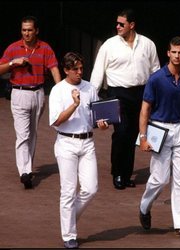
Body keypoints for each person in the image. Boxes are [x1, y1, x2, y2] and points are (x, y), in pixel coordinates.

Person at [138, 36, 180, 239]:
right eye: (173, 51)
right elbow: (145, 109)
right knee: (160, 178)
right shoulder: (156, 79)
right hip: (159, 129)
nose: (177, 55)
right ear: (168, 53)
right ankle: (145, 207)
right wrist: (143, 136)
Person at [90, 9, 160, 190]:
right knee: (121, 133)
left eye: (121, 24)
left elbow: (155, 71)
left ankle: (127, 174)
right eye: (117, 23)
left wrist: (157, 95)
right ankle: (118, 173)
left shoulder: (147, 44)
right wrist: (91, 98)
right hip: (118, 94)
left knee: (132, 135)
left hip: (141, 94)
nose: (118, 26)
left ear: (132, 25)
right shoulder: (109, 45)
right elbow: (98, 73)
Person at [49, 52, 108, 249]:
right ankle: (69, 235)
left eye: (82, 68)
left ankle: (68, 219)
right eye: (75, 69)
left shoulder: (90, 87)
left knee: (91, 188)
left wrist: (101, 123)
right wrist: (74, 104)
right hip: (66, 143)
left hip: (87, 142)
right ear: (66, 70)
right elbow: (56, 121)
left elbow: (95, 115)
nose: (80, 72)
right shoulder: (58, 91)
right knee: (68, 191)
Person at [0, 15, 61, 189]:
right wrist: (13, 62)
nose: (26, 33)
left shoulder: (45, 48)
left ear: (36, 31)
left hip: (38, 93)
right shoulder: (13, 48)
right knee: (23, 134)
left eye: (29, 30)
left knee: (32, 132)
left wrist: (60, 89)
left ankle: (28, 166)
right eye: (24, 30)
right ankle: (25, 172)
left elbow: (54, 68)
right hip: (19, 93)